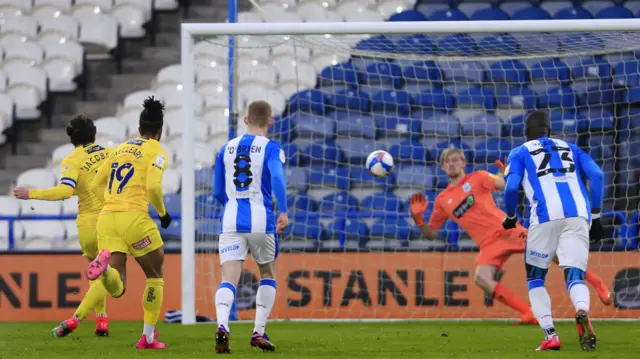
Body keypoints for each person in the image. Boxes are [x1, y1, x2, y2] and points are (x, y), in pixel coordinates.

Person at [409, 146, 611, 326]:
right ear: (442, 167)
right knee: (481, 278)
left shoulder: (479, 177)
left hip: (507, 230)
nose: (451, 164)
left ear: (463, 163)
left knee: (555, 256)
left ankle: (597, 283)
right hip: (488, 244)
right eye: (447, 162)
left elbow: (504, 185)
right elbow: (432, 233)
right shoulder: (443, 200)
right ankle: (528, 313)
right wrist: (418, 219)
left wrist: (508, 174)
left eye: (455, 160)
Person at [49, 97, 172, 350]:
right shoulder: (157, 151)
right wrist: (162, 213)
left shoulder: (120, 148)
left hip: (106, 219)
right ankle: (148, 338)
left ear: (138, 129)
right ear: (159, 131)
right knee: (155, 275)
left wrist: (112, 201)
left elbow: (95, 183)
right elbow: (152, 186)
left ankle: (103, 269)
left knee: (117, 286)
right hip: (134, 218)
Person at [502, 110, 604, 352]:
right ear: (550, 131)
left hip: (546, 215)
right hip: (579, 213)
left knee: (536, 278)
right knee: (575, 275)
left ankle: (550, 335)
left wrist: (511, 217)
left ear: (526, 133)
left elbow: (510, 189)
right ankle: (581, 310)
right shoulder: (571, 148)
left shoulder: (520, 152)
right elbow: (598, 175)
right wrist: (597, 216)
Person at [13, 115, 112, 337]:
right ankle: (82, 318)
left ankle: (102, 320)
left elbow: (66, 191)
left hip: (88, 224)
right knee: (105, 272)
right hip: (112, 219)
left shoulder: (72, 160)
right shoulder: (110, 153)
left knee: (98, 273)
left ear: (72, 139)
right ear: (94, 134)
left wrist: (32, 194)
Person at [213, 100, 288, 354]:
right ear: (270, 122)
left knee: (228, 279)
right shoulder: (272, 148)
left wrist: (231, 205)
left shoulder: (226, 148)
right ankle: (258, 331)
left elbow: (216, 192)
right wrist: (284, 210)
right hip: (261, 220)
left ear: (245, 120)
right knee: (267, 273)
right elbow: (277, 177)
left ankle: (222, 325)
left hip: (231, 219)